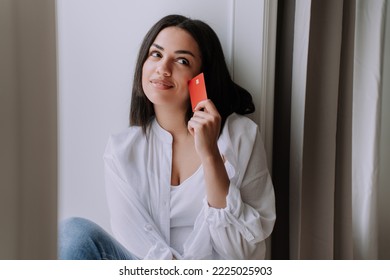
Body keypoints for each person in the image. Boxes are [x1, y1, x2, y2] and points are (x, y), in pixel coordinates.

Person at [59, 14, 275, 260]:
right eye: (156, 54)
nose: (163, 68)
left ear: (200, 79)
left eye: (182, 60)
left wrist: (210, 154)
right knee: (72, 233)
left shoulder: (240, 135)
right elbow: (137, 244)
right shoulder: (122, 151)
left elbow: (240, 252)